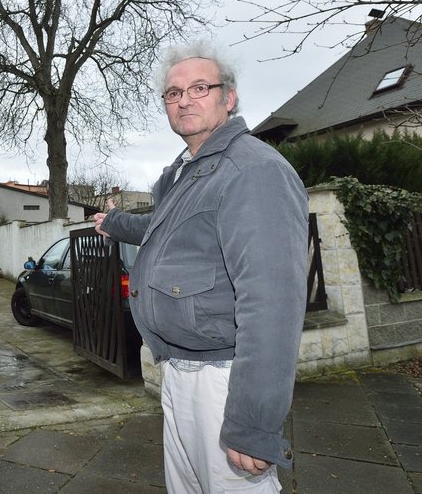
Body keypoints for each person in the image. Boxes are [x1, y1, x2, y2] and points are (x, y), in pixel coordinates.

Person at [94, 44, 308, 493]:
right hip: (179, 372)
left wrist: (252, 423)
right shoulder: (188, 173)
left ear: (228, 98)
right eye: (173, 93)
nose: (184, 100)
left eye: (199, 88)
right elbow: (166, 228)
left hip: (222, 381)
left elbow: (272, 305)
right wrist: (115, 223)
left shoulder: (252, 170)